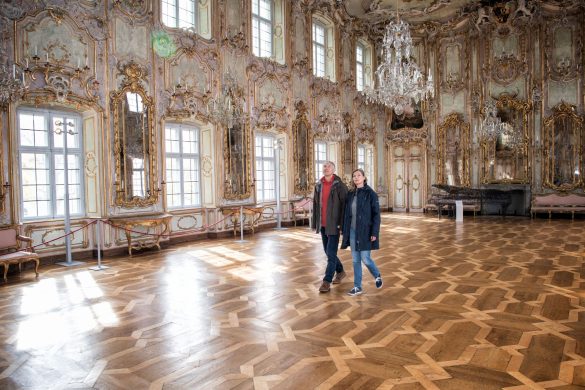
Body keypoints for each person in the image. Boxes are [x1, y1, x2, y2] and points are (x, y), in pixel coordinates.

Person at [341, 169, 382, 296]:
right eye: (354, 176)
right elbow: (346, 214)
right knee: (355, 260)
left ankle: (377, 275)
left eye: (359, 175)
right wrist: (344, 229)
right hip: (352, 231)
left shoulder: (371, 194)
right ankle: (357, 287)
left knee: (365, 258)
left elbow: (376, 216)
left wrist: (374, 232)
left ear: (364, 178)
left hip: (366, 231)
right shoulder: (350, 194)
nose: (356, 177)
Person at [312, 161, 348, 293]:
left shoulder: (340, 186)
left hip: (335, 225)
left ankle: (326, 281)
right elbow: (316, 205)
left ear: (333, 169)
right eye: (324, 166)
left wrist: (343, 224)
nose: (326, 168)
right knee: (328, 252)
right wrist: (315, 223)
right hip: (323, 224)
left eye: (328, 166)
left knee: (331, 254)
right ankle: (340, 271)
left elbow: (345, 206)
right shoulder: (318, 185)